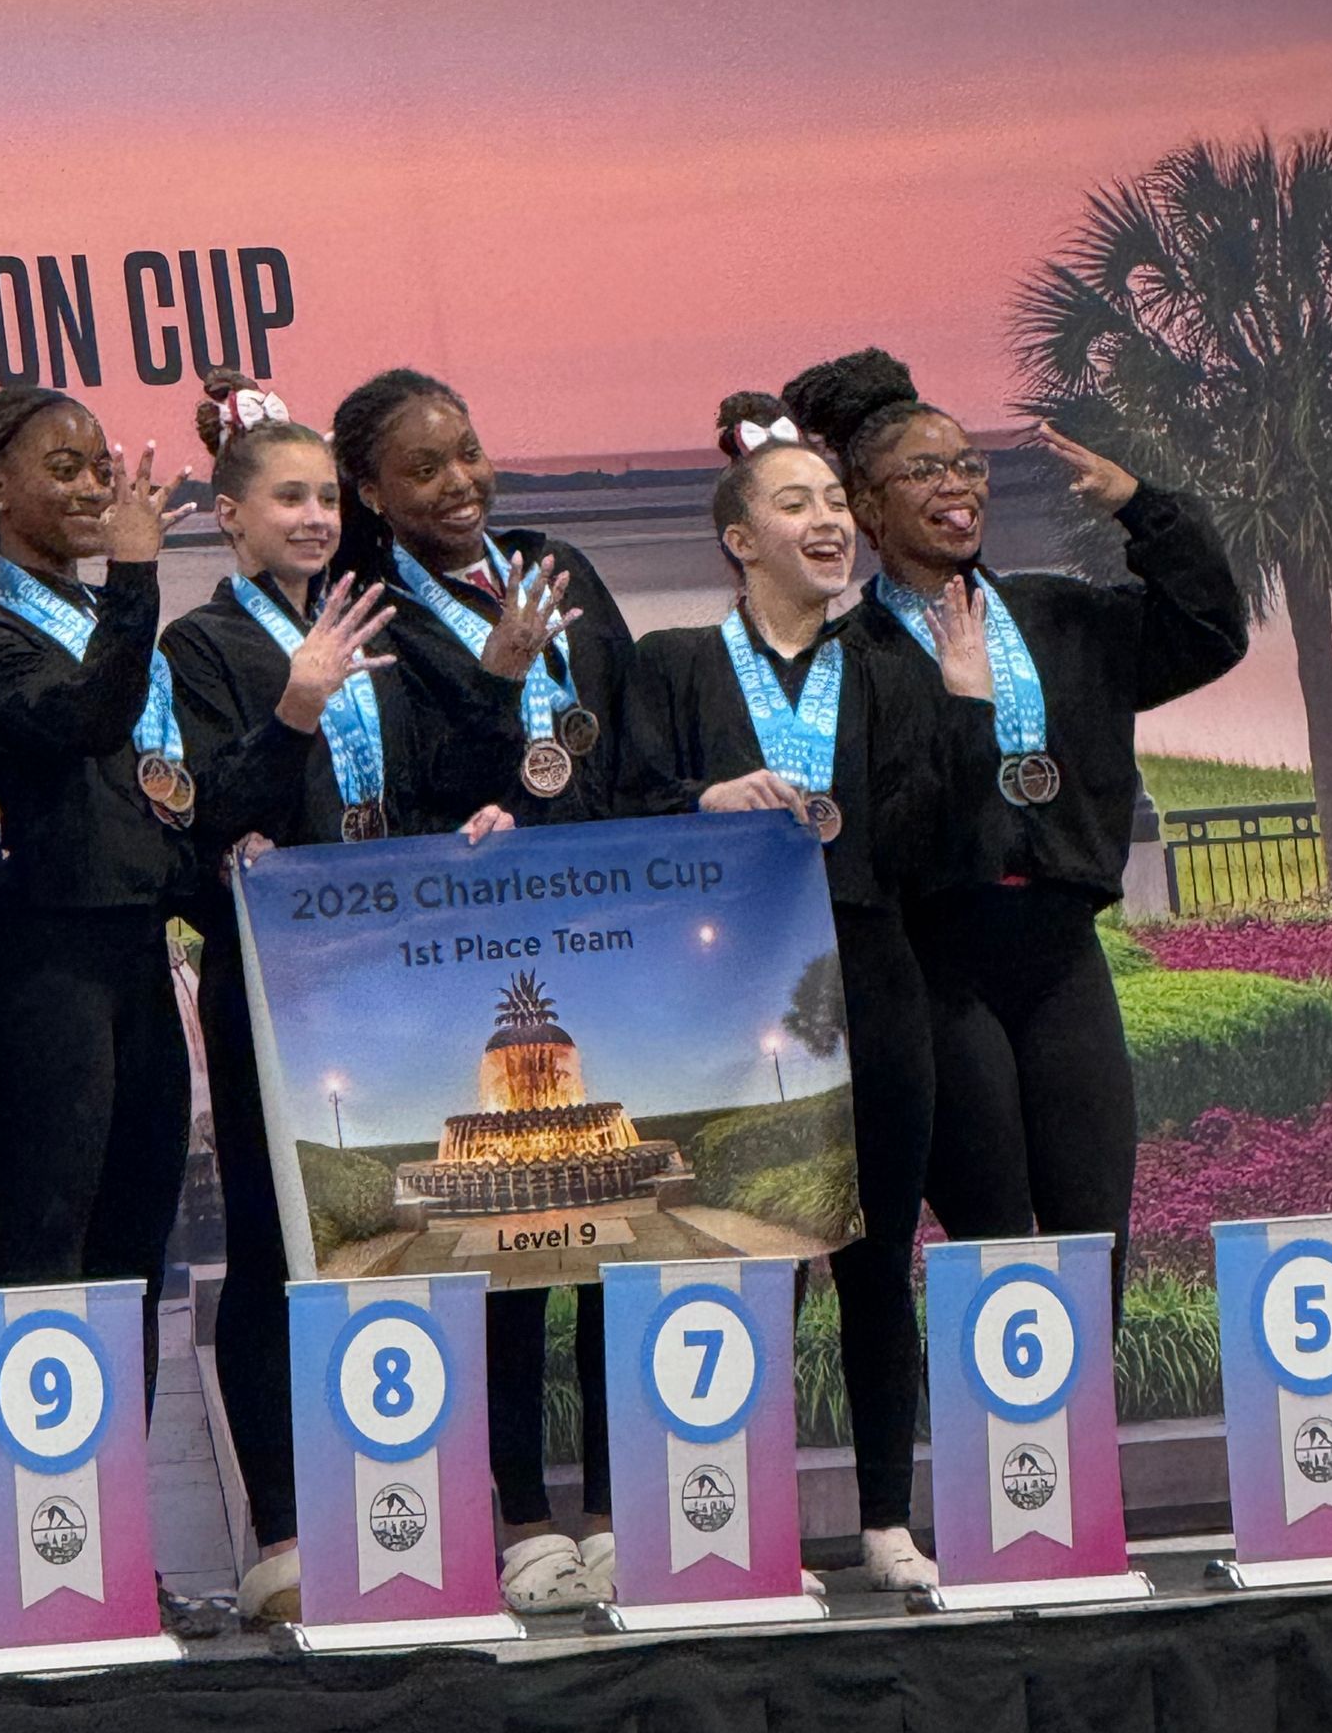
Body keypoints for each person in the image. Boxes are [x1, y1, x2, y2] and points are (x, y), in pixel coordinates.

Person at [161, 372, 532, 1623]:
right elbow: (209, 814)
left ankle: (410, 1509)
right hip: (277, 978)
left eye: (327, 497)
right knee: (280, 1249)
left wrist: (480, 786)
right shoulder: (199, 646)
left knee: (407, 1234)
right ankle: (278, 1532)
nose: (316, 518)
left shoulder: (367, 620)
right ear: (230, 517)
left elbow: (422, 788)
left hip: (394, 975)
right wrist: (293, 708)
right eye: (288, 499)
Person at [621, 394, 995, 1587]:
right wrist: (698, 804)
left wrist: (971, 707)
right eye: (798, 504)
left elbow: (948, 843)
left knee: (876, 1254)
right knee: (736, 1255)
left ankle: (886, 1518)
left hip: (873, 973)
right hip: (722, 990)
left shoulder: (890, 660)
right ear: (740, 537)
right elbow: (616, 809)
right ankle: (736, 1526)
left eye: (837, 502)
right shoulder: (675, 663)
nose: (829, 522)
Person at [781, 347, 1247, 1300]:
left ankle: (1085, 1450)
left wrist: (1142, 509)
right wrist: (957, 709)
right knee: (996, 1240)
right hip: (938, 969)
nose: (955, 487)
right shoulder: (848, 659)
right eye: (923, 470)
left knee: (1095, 1233)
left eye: (967, 465)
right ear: (866, 509)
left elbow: (1208, 632)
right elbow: (882, 837)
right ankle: (1005, 1451)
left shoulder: (1057, 615)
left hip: (1062, 957)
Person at [332, 366, 631, 1614]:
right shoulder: (369, 613)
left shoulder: (554, 562)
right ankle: (518, 1511)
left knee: (616, 1221)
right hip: (468, 950)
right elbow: (415, 783)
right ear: (371, 493)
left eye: (468, 452)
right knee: (509, 1229)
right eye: (423, 469)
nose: (458, 484)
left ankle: (621, 1501)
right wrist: (502, 682)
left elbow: (621, 725)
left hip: (607, 935)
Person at [0, 388, 196, 1404]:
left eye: (99, 466)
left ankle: (120, 1541)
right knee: (48, 1233)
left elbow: (157, 778)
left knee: (135, 1245)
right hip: (42, 962)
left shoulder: (90, 614)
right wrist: (135, 571)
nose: (91, 486)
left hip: (134, 952)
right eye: (63, 468)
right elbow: (87, 718)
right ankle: (39, 1532)